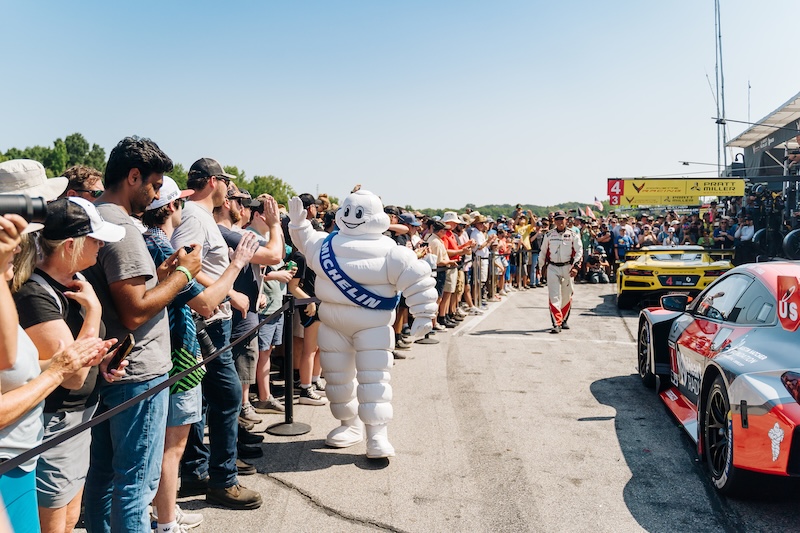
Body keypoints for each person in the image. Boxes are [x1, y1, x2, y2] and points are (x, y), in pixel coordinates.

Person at [82, 137, 203, 532]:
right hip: (138, 374)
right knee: (137, 484)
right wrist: (185, 274)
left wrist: (163, 276)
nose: (155, 194)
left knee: (102, 479)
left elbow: (124, 297)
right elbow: (134, 311)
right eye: (153, 184)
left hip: (109, 365)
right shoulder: (123, 228)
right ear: (133, 176)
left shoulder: (94, 216)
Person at [142, 176, 261, 531]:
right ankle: (206, 488)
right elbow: (201, 300)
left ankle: (185, 487)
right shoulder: (167, 239)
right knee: (206, 408)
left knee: (196, 413)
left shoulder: (159, 237)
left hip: (184, 336)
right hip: (184, 339)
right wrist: (236, 267)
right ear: (172, 207)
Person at [288, 189, 438, 458]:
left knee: (374, 380)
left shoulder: (391, 252)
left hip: (373, 327)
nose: (350, 217)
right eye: (346, 211)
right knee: (337, 379)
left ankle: (377, 434)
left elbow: (418, 280)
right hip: (332, 325)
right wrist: (298, 224)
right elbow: (306, 243)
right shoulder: (327, 245)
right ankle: (350, 424)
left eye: (357, 213)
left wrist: (425, 313)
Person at [12, 198, 127, 533]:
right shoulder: (36, 294)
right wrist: (93, 313)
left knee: (70, 515)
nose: (102, 244)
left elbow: (76, 361)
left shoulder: (74, 282)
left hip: (78, 418)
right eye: (95, 239)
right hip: (55, 421)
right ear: (69, 246)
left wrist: (102, 362)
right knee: (56, 523)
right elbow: (73, 375)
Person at [170, 157, 262, 510]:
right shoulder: (195, 215)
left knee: (207, 399)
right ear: (213, 181)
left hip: (213, 319)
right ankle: (223, 481)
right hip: (206, 321)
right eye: (226, 181)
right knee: (227, 395)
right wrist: (228, 289)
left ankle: (195, 470)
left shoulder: (200, 215)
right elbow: (182, 261)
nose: (230, 188)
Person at [538, 210, 582, 334]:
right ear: (554, 221)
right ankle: (556, 323)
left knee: (567, 295)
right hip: (552, 267)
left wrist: (576, 267)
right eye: (557, 219)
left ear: (566, 220)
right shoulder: (548, 235)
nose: (559, 221)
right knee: (554, 295)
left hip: (568, 267)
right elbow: (543, 252)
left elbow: (579, 251)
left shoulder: (573, 235)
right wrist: (540, 268)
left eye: (562, 219)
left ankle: (563, 319)